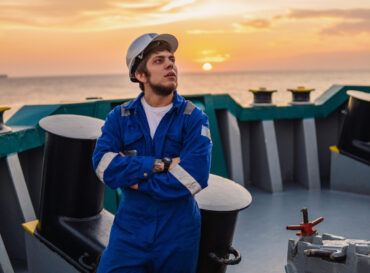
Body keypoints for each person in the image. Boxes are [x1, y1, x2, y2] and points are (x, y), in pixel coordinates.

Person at [92, 33, 212, 273]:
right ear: (140, 75)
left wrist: (136, 181)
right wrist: (162, 164)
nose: (170, 64)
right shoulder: (119, 117)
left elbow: (193, 178)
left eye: (171, 59)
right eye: (159, 60)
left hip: (178, 232)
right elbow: (104, 167)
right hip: (130, 232)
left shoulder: (194, 118)